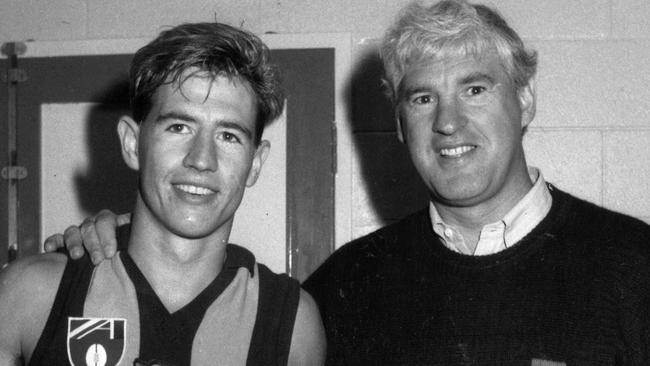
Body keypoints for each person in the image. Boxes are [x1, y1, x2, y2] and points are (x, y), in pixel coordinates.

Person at [45, 0, 650, 365]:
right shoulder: (345, 285)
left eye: (474, 88)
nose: (447, 122)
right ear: (399, 120)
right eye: (422, 98)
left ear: (524, 100)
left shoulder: (634, 265)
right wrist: (110, 249)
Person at [0, 22, 325, 366]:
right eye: (179, 127)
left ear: (255, 163)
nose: (201, 160)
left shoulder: (292, 325)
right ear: (131, 143)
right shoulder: (31, 293)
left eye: (229, 136)